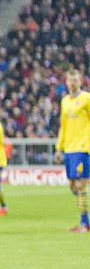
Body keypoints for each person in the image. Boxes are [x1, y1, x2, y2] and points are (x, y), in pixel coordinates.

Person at [54, 69, 90, 233]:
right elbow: (63, 126)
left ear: (80, 81)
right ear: (66, 82)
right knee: (72, 185)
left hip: (82, 147)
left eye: (75, 80)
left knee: (81, 183)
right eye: (70, 80)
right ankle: (83, 220)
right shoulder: (65, 101)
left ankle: (85, 223)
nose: (73, 82)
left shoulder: (86, 99)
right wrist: (59, 148)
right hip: (68, 148)